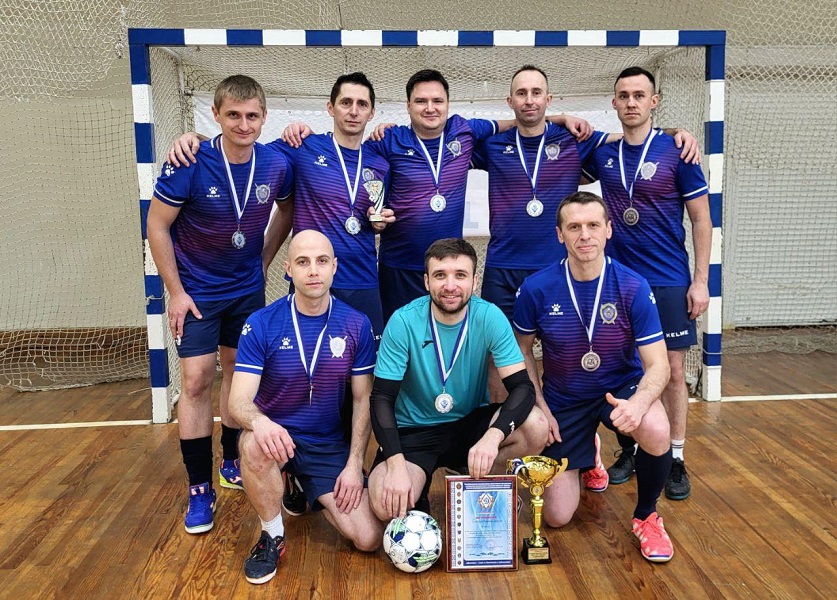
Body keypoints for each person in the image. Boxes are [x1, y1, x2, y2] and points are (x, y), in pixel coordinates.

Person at [167, 73, 392, 516]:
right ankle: (286, 468)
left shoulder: (380, 158)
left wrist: (381, 219)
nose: (353, 110)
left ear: (371, 111)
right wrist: (194, 139)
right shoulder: (300, 147)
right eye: (345, 102)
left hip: (364, 282)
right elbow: (240, 145)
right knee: (298, 378)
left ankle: (346, 466)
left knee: (359, 384)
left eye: (362, 104)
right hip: (309, 285)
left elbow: (379, 208)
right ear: (329, 108)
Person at [147, 75, 294, 534]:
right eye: (233, 115)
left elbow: (288, 209)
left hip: (246, 290)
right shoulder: (189, 161)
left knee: (238, 375)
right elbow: (156, 225)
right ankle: (199, 488)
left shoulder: (275, 163)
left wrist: (264, 259)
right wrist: (176, 291)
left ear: (264, 117)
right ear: (216, 115)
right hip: (197, 292)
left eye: (251, 116)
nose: (243, 124)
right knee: (195, 381)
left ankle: (231, 459)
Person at [514, 192, 675, 563]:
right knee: (556, 517)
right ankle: (589, 451)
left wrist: (639, 403)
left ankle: (647, 515)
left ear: (608, 230)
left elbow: (659, 365)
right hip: (564, 399)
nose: (584, 235)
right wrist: (541, 406)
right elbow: (522, 352)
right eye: (574, 227)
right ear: (560, 234)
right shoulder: (536, 288)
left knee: (655, 426)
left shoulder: (633, 286)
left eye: (592, 225)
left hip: (619, 389)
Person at [583, 67, 711, 500]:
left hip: (670, 279)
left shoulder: (678, 151)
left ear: (654, 101)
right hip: (619, 281)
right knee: (624, 368)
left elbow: (701, 219)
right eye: (624, 95)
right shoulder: (604, 153)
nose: (631, 102)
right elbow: (561, 151)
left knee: (672, 372)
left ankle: (675, 457)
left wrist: (700, 281)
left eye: (640, 95)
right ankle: (631, 449)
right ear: (614, 103)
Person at [229, 230, 382, 585]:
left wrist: (353, 464)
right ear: (288, 269)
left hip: (325, 443)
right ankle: (271, 534)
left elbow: (363, 399)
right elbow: (237, 402)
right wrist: (260, 423)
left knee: (368, 538)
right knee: (253, 444)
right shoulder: (261, 323)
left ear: (334, 267)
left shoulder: (356, 324)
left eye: (321, 261)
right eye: (302, 262)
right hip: (276, 437)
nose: (313, 270)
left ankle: (302, 484)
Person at [368, 238, 549, 519]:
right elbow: (381, 398)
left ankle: (478, 480)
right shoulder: (403, 321)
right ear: (427, 281)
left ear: (474, 281)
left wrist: (493, 436)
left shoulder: (490, 316)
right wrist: (395, 463)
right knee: (385, 506)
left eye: (460, 275)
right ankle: (418, 482)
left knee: (536, 425)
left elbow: (523, 389)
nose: (450, 286)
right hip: (413, 432)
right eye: (440, 275)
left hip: (468, 426)